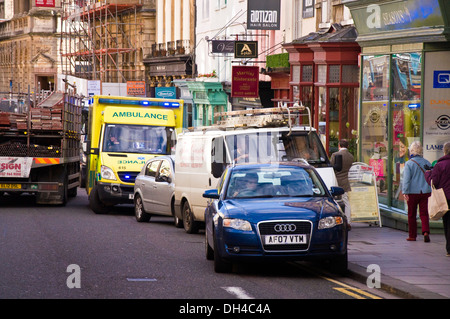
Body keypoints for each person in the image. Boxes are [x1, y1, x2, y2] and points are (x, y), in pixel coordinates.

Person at [402, 141, 431, 242]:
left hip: (412, 192)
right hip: (425, 191)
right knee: (424, 213)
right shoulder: (427, 162)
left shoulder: (409, 164)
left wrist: (404, 191)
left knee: (411, 214)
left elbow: (406, 179)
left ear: (411, 151)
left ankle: (412, 235)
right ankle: (426, 231)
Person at [425, 141, 450, 256]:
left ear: (444, 151)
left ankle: (449, 249)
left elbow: (433, 182)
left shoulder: (440, 165)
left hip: (445, 198)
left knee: (448, 223)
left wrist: (428, 173)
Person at [330, 139, 354, 227]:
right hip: (345, 181)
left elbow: (331, 167)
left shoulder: (335, 155)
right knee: (346, 201)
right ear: (347, 146)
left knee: (333, 201)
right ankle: (348, 221)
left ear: (339, 145)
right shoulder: (351, 156)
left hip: (336, 180)